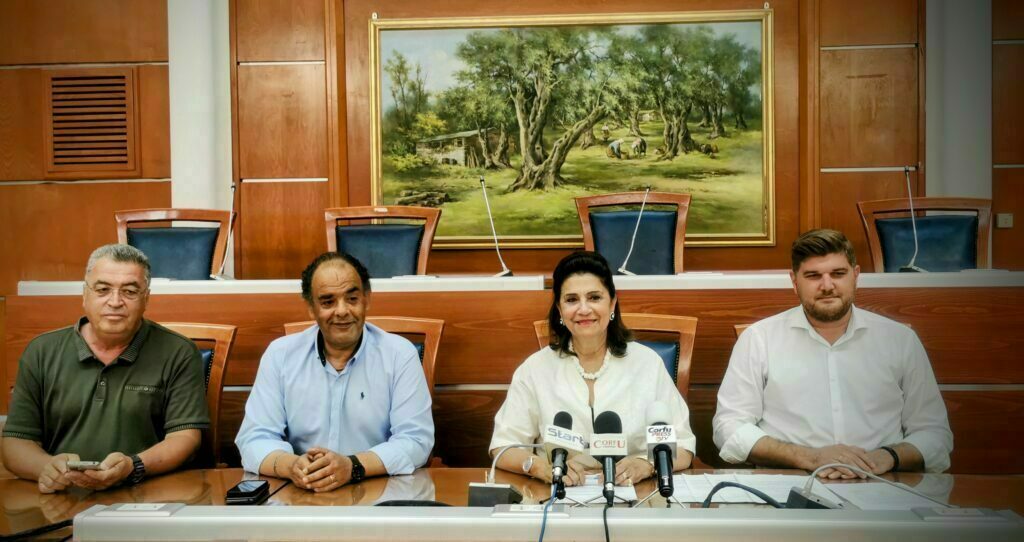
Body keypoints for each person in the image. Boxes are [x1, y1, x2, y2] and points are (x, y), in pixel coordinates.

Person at [713, 229, 953, 478]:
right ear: (794, 281)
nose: (827, 286)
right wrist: (810, 457)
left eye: (838, 274)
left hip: (881, 481)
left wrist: (886, 457)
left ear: (855, 276)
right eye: (813, 276)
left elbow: (934, 434)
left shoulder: (900, 340)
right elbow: (729, 427)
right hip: (786, 484)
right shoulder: (759, 339)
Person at [2, 244, 209, 493]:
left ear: (146, 298)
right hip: (60, 495)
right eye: (102, 290)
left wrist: (132, 466)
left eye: (129, 291)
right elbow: (16, 442)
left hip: (145, 494)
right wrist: (47, 468)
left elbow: (185, 438)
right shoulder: (41, 351)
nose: (115, 301)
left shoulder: (178, 352)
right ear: (84, 295)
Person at [489, 251, 695, 486]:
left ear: (612, 303)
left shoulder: (647, 364)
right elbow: (503, 447)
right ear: (559, 309)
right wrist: (540, 467)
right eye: (571, 300)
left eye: (594, 297)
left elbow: (683, 447)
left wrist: (646, 464)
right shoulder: (535, 369)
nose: (584, 309)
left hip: (636, 495)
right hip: (557, 496)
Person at [235, 252, 433, 492]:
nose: (342, 311)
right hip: (300, 493)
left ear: (367, 299)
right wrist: (291, 466)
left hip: (377, 493)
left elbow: (416, 441)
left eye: (352, 299)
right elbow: (254, 439)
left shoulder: (399, 354)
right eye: (328, 302)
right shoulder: (281, 355)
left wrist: (353, 466)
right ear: (311, 308)